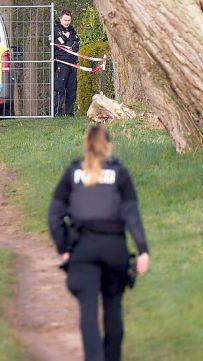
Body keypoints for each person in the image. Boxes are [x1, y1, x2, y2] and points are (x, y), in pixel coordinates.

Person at [48, 125, 150, 361]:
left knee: (88, 312)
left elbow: (54, 216)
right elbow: (132, 215)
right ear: (109, 147)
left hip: (83, 250)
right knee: (113, 307)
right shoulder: (120, 173)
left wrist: (64, 248)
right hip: (114, 249)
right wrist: (143, 250)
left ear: (86, 147)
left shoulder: (73, 172)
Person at [54, 10, 81, 116]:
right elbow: (54, 44)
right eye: (65, 20)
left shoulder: (72, 30)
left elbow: (76, 41)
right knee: (60, 88)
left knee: (72, 89)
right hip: (61, 63)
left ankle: (70, 113)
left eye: (69, 20)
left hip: (72, 62)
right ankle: (57, 113)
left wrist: (75, 46)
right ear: (60, 19)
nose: (67, 22)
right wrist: (64, 37)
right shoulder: (55, 29)